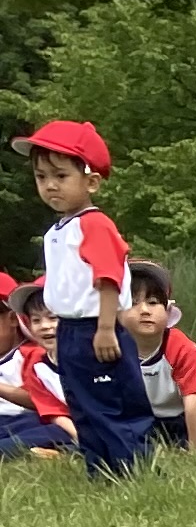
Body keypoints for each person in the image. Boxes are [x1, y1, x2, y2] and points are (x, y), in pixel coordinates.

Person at [12, 119, 150, 476]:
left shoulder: (94, 224)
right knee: (82, 404)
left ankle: (131, 468)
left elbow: (108, 277)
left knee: (110, 402)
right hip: (69, 329)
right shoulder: (58, 230)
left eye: (61, 176)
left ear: (91, 182)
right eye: (41, 177)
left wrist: (105, 328)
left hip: (96, 326)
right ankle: (100, 470)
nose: (50, 185)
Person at [120, 263, 196, 451]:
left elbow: (193, 400)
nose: (144, 310)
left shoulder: (181, 348)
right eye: (133, 303)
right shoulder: (113, 348)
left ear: (168, 310)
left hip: (193, 408)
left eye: (153, 302)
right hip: (150, 414)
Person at [0, 282, 71, 462]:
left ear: (13, 319)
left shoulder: (33, 355)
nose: (45, 326)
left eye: (52, 317)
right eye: (37, 320)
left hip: (31, 421)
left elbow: (39, 402)